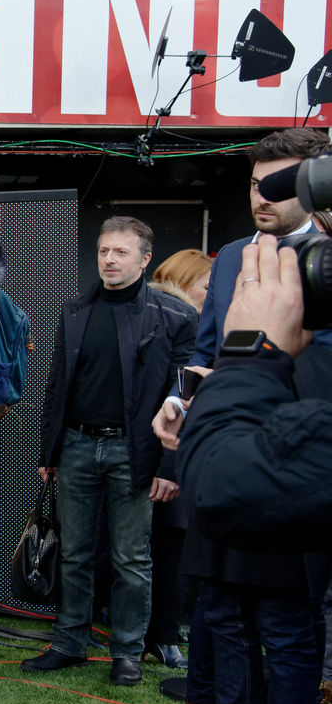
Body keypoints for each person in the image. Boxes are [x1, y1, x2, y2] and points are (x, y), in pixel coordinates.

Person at [150, 128, 332, 704]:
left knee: (289, 622)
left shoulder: (327, 255)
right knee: (221, 610)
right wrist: (180, 402)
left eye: (280, 185)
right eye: (257, 184)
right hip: (230, 451)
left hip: (300, 462)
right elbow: (208, 350)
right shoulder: (229, 257)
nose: (263, 197)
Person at [24, 217, 196, 686]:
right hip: (76, 445)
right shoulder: (75, 309)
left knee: (131, 558)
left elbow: (185, 399)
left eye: (121, 252)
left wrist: (169, 466)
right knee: (75, 553)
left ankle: (127, 652)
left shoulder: (175, 316)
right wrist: (49, 452)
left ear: (144, 259)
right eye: (104, 251)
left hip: (135, 450)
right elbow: (57, 386)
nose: (110, 260)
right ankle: (68, 643)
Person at [144, 248, 213, 669]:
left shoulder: (197, 328)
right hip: (164, 457)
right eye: (207, 285)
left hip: (179, 459)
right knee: (164, 550)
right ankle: (163, 636)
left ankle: (165, 631)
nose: (214, 293)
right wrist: (167, 468)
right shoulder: (179, 327)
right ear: (185, 284)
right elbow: (170, 402)